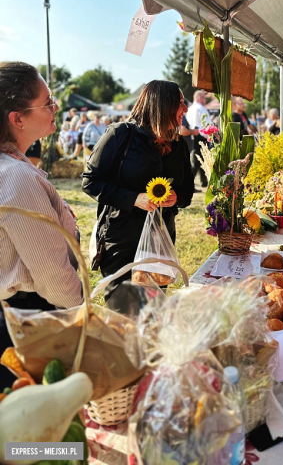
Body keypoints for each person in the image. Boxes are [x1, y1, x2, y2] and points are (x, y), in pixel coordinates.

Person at [0, 62, 83, 388]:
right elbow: (51, 273)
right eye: (47, 102)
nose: (56, 107)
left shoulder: (14, 167)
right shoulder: (15, 176)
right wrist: (80, 311)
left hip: (21, 317)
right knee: (41, 432)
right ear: (17, 118)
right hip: (31, 321)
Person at [82, 80, 194, 288]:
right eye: (180, 102)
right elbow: (90, 181)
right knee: (124, 314)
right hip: (122, 243)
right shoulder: (119, 135)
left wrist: (177, 197)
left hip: (161, 243)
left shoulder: (179, 145)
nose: (185, 108)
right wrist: (133, 199)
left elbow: (187, 190)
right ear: (162, 105)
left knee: (153, 312)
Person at [186, 90, 212, 189]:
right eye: (204, 98)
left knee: (199, 159)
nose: (205, 100)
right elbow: (207, 125)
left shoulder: (190, 109)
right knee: (199, 160)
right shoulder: (201, 109)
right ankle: (190, 182)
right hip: (201, 135)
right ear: (199, 98)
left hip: (192, 135)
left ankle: (203, 181)